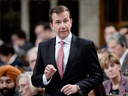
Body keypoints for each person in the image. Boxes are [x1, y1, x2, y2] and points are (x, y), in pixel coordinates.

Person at [31, 5, 103, 96]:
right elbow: (34, 80)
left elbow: (97, 76)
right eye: (58, 22)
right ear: (52, 26)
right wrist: (46, 77)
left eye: (65, 21)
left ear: (71, 22)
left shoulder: (86, 45)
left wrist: (78, 86)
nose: (63, 26)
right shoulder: (43, 46)